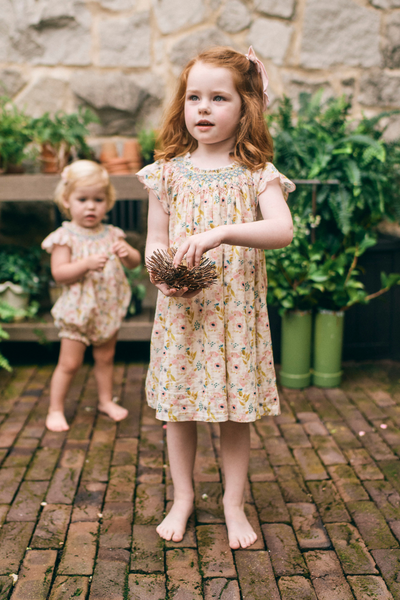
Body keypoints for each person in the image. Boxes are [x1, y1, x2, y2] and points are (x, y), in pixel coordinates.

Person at [137, 46, 295, 550]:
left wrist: (221, 232)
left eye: (219, 98)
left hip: (235, 317)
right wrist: (161, 275)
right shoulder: (166, 172)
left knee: (233, 411)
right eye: (194, 97)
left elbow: (282, 230)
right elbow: (156, 240)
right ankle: (182, 496)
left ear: (245, 107)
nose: (203, 108)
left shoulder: (256, 173)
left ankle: (232, 503)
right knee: (179, 409)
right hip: (183, 312)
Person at [42, 160, 141, 432]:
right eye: (82, 199)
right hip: (77, 312)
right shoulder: (65, 237)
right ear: (66, 200)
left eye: (98, 200)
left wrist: (127, 253)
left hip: (106, 308)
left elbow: (134, 263)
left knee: (106, 358)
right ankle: (55, 408)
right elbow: (59, 273)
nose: (90, 206)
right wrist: (84, 265)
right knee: (70, 363)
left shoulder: (112, 234)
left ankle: (106, 401)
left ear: (107, 202)